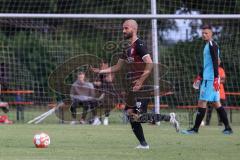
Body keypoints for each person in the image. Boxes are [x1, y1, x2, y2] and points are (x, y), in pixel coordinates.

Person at [91, 19, 179, 149]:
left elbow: (150, 63)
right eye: (123, 28)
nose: (123, 31)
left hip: (144, 85)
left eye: (126, 28)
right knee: (132, 115)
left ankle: (167, 118)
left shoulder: (139, 44)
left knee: (137, 116)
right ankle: (144, 144)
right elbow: (117, 66)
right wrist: (101, 70)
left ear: (134, 29)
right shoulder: (127, 48)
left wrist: (141, 81)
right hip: (134, 87)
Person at [182, 24, 233, 134]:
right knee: (217, 103)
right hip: (209, 78)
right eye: (203, 33)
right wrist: (200, 76)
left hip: (210, 80)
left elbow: (216, 62)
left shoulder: (211, 45)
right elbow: (209, 64)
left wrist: (215, 78)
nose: (204, 35)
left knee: (202, 102)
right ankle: (228, 128)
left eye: (206, 33)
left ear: (211, 34)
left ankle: (195, 129)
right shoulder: (208, 45)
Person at [93, 60, 115, 125]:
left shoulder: (111, 71)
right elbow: (96, 83)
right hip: (100, 92)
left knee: (107, 102)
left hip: (110, 93)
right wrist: (97, 83)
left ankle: (106, 118)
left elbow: (109, 79)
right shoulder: (100, 74)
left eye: (103, 65)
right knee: (92, 102)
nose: (101, 66)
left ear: (106, 65)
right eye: (101, 65)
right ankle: (97, 119)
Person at [205, 59, 226, 126]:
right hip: (211, 93)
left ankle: (220, 123)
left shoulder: (221, 70)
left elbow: (223, 80)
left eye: (219, 61)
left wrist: (217, 81)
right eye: (217, 60)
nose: (219, 62)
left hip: (220, 94)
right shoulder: (210, 70)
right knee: (209, 109)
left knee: (220, 109)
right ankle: (207, 123)